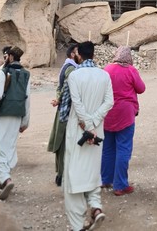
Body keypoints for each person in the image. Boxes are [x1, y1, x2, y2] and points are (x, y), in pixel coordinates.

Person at [63, 41, 114, 231]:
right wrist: (94, 123)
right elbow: (109, 101)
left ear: (79, 55)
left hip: (79, 130)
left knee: (74, 174)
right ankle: (95, 206)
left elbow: (76, 103)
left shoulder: (75, 76)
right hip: (97, 130)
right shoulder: (104, 75)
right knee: (93, 170)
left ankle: (77, 224)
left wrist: (87, 124)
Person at [0, 46, 30, 200]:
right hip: (18, 115)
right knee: (9, 145)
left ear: (10, 57)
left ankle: (6, 179)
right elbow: (27, 99)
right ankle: (6, 177)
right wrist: (25, 121)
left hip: (2, 114)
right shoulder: (26, 74)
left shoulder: (4, 72)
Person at [102, 46, 146, 195]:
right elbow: (141, 88)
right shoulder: (130, 70)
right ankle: (120, 185)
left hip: (107, 113)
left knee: (107, 148)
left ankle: (105, 179)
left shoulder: (107, 69)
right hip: (125, 114)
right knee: (123, 149)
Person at [48, 43, 79, 186]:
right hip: (67, 112)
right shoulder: (72, 69)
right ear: (73, 54)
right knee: (65, 143)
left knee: (62, 143)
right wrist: (61, 100)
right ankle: (63, 174)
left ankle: (60, 174)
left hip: (63, 109)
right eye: (78, 52)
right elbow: (67, 89)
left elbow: (60, 88)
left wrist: (58, 99)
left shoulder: (66, 66)